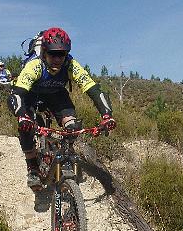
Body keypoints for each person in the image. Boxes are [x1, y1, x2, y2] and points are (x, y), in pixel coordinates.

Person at [7, 27, 116, 189]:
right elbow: (17, 94)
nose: (57, 59)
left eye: (62, 54)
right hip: (31, 95)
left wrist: (107, 115)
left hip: (56, 95)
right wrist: (22, 116)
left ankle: (65, 159)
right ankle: (33, 167)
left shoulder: (71, 64)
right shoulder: (35, 65)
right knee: (26, 128)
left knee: (73, 127)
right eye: (53, 54)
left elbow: (93, 89)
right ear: (44, 52)